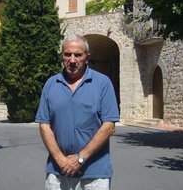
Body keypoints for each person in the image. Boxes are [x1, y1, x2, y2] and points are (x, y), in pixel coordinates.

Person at [35, 34, 120, 190]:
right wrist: (61, 160)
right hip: (57, 172)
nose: (72, 60)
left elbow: (109, 126)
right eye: (67, 54)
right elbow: (44, 125)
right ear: (62, 56)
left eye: (78, 55)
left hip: (95, 175)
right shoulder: (51, 84)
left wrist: (80, 158)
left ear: (87, 57)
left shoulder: (102, 83)